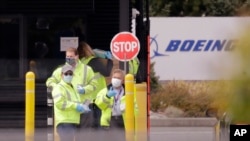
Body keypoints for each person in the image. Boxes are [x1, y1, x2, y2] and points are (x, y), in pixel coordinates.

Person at [46, 47, 98, 128]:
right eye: (67, 57)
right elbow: (50, 81)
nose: (69, 59)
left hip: (85, 106)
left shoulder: (87, 69)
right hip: (71, 109)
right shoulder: (62, 70)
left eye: (71, 57)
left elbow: (95, 85)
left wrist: (84, 90)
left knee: (85, 135)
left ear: (77, 56)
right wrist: (57, 88)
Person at [77, 41, 113, 129]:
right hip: (96, 99)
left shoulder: (80, 63)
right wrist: (110, 60)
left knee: (86, 128)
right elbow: (107, 72)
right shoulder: (93, 61)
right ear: (88, 50)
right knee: (98, 127)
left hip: (85, 100)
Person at [94, 69, 138, 141]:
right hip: (109, 122)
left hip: (123, 121)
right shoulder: (104, 91)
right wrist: (107, 96)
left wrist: (128, 109)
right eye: (114, 77)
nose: (116, 79)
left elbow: (136, 110)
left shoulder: (129, 92)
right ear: (111, 79)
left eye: (118, 78)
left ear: (123, 80)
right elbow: (99, 105)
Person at [52, 64, 91, 141]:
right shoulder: (59, 87)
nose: (68, 75)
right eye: (66, 74)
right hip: (65, 122)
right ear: (61, 75)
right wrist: (76, 106)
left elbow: (76, 104)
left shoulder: (73, 89)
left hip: (73, 121)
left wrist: (82, 107)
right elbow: (60, 103)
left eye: (70, 74)